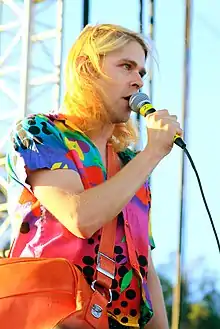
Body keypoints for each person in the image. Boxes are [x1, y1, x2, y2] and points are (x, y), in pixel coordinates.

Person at [7, 24, 182, 329]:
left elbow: (145, 267)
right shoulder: (41, 133)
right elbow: (80, 217)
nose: (138, 80)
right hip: (50, 315)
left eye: (141, 72)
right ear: (88, 70)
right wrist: (152, 154)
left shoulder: (131, 164)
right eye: (126, 66)